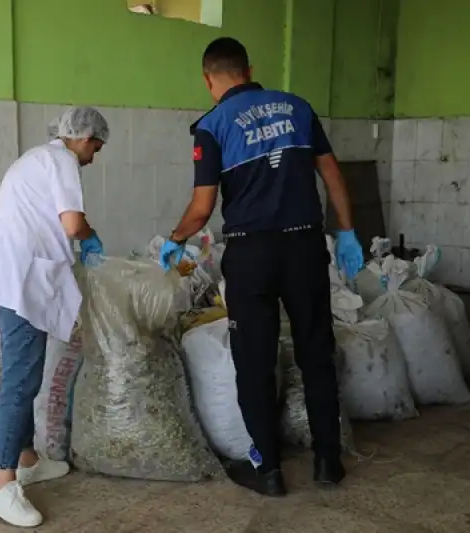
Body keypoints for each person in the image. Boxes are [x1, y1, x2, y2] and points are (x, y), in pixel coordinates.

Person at [158, 37, 363, 497]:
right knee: (315, 350)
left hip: (252, 255)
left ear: (209, 80)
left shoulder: (211, 126)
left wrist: (175, 240)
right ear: (248, 70)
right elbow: (332, 174)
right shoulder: (298, 107)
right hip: (306, 247)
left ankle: (267, 469)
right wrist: (347, 230)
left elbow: (202, 207)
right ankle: (328, 460)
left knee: (254, 360)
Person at [0, 106, 109, 527]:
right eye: (96, 148)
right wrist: (91, 236)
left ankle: (27, 458)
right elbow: (71, 222)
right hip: (20, 280)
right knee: (21, 380)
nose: (93, 157)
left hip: (10, 273)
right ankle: (0, 482)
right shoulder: (63, 160)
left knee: (25, 373)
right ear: (83, 138)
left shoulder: (34, 158)